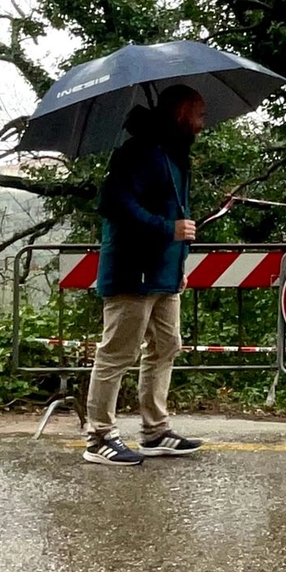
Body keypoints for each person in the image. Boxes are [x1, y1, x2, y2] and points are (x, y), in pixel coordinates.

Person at [82, 84, 206, 466]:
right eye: (198, 113)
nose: (203, 121)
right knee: (117, 353)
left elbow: (177, 213)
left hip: (165, 273)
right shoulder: (137, 150)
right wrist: (166, 229)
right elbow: (113, 203)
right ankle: (99, 436)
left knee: (166, 347)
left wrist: (180, 261)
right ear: (181, 112)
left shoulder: (174, 152)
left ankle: (155, 431)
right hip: (131, 270)